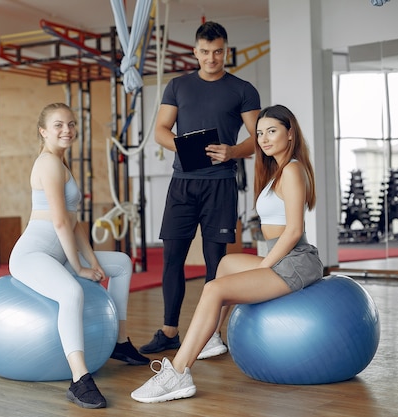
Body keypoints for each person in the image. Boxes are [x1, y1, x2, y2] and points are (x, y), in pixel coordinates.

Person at [131, 104, 324, 403]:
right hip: (283, 257)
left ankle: (178, 373)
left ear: (290, 133)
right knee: (225, 263)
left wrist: (265, 268)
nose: (263, 139)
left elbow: (294, 231)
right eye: (259, 133)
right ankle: (210, 339)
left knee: (213, 289)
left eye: (272, 131)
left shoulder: (294, 170)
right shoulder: (277, 170)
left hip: (296, 261)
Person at [8, 103, 149, 410]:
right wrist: (79, 268)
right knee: (72, 293)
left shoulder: (62, 164)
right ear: (43, 131)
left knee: (122, 264)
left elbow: (75, 223)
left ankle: (121, 343)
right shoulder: (48, 164)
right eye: (58, 125)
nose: (67, 130)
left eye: (71, 124)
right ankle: (79, 379)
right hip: (32, 255)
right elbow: (59, 222)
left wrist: (93, 262)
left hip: (59, 253)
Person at [139, 21, 261, 359]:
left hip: (221, 185)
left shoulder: (243, 89)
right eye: (205, 52)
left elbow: (259, 139)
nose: (211, 58)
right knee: (172, 259)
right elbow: (161, 130)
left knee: (215, 263)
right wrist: (184, 147)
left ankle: (211, 335)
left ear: (226, 51)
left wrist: (233, 151)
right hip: (182, 183)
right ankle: (169, 332)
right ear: (195, 52)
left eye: (218, 52)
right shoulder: (178, 86)